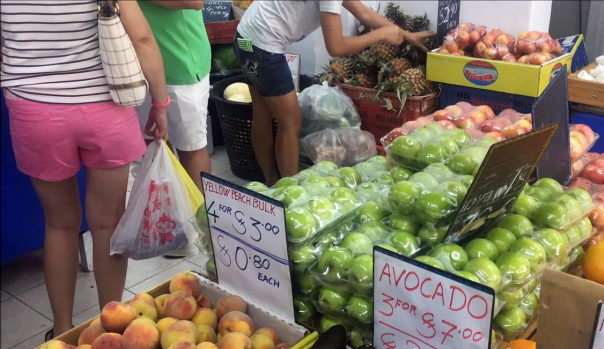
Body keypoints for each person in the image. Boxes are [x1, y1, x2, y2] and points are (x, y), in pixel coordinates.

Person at [0, 0, 169, 338]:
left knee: (59, 225)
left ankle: (62, 328)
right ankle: (112, 328)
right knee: (108, 224)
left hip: (34, 111)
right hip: (105, 107)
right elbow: (143, 40)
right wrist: (161, 104)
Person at [235, 0, 434, 186]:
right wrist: (381, 34)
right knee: (290, 122)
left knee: (262, 115)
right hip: (262, 47)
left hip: (246, 36)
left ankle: (271, 183)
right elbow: (336, 47)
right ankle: (288, 192)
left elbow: (363, 12)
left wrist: (405, 35)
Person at [136, 0, 212, 257]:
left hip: (179, 65)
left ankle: (203, 231)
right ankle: (173, 229)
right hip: (138, 69)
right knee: (156, 149)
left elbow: (195, 1)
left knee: (190, 148)